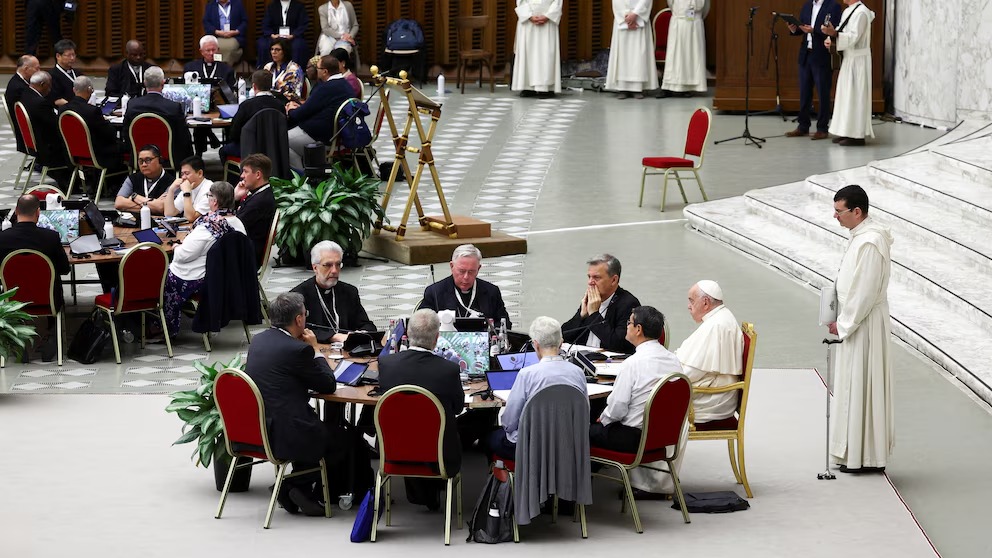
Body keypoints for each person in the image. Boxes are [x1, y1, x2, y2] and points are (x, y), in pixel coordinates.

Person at [243, 292, 338, 516]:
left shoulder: (259, 340)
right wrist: (315, 349)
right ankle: (294, 487)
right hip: (286, 432)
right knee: (341, 437)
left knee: (317, 427)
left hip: (258, 427)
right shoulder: (298, 350)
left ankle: (297, 488)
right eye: (305, 314)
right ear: (298, 320)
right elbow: (328, 385)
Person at [827, 184, 893, 473]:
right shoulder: (860, 237)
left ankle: (865, 457)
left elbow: (864, 292)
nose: (835, 217)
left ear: (857, 211)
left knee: (862, 383)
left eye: (839, 211)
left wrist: (842, 324)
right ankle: (853, 453)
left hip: (863, 325)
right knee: (852, 384)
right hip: (855, 322)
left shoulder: (870, 242)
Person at [377, 309, 464, 510]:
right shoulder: (448, 369)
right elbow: (458, 408)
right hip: (440, 452)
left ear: (406, 336)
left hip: (395, 449)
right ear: (437, 338)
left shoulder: (387, 363)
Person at [488, 316, 588, 460]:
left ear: (535, 344)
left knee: (490, 437)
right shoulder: (578, 373)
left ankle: (504, 479)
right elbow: (584, 414)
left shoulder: (527, 375)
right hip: (567, 445)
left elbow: (509, 422)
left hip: (528, 446)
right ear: (561, 343)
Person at [162, 181, 247, 337]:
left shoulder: (208, 227)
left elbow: (183, 256)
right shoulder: (238, 223)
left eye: (208, 196)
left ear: (214, 201)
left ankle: (161, 327)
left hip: (202, 279)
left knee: (159, 275)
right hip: (232, 279)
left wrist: (176, 247)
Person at [675, 280, 743, 423]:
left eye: (692, 301)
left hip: (714, 399)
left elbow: (693, 372)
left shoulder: (716, 326)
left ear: (705, 303)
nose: (689, 306)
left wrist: (666, 376)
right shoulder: (719, 317)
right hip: (717, 391)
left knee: (654, 400)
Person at [290, 240, 375, 344]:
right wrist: (335, 337)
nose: (334, 270)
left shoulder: (349, 292)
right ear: (315, 267)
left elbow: (366, 324)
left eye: (338, 264)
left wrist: (361, 334)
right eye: (328, 265)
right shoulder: (297, 296)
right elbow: (296, 331)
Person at [785, 0, 842, 140]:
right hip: (806, 54)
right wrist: (794, 29)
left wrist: (813, 31)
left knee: (823, 92)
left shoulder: (833, 6)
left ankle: (822, 128)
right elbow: (802, 29)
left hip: (822, 55)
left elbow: (834, 31)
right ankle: (803, 126)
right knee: (804, 92)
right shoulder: (807, 6)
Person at [285, 55, 354, 170]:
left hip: (320, 135)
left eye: (317, 68)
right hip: (338, 133)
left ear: (325, 71)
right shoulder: (345, 84)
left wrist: (291, 109)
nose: (316, 70)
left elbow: (299, 114)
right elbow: (315, 106)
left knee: (281, 141)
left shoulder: (326, 88)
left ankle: (301, 179)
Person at [561, 253, 640, 353]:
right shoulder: (589, 300)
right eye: (589, 277)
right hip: (584, 361)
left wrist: (594, 315)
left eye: (596, 278)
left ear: (614, 280)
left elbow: (619, 345)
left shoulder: (628, 303)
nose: (590, 282)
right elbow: (563, 336)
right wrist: (581, 317)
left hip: (611, 364)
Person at [822, 0, 875, 146]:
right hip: (848, 58)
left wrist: (834, 34)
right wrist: (830, 37)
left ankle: (857, 136)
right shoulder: (848, 10)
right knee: (846, 96)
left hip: (858, 60)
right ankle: (846, 131)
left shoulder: (862, 12)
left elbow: (853, 37)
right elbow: (841, 30)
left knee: (856, 96)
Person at [420, 244, 511, 327]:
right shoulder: (434, 292)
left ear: (478, 269)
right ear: (452, 266)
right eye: (461, 271)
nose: (466, 277)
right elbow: (421, 324)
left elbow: (505, 324)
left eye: (471, 272)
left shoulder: (491, 292)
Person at [218, 70, 286, 177]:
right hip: (274, 149)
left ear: (253, 86)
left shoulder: (247, 105)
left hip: (249, 149)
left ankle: (235, 181)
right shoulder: (280, 105)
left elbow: (234, 133)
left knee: (223, 150)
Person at [123, 66, 194, 167]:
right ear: (163, 83)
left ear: (144, 83)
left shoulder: (132, 105)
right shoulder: (173, 107)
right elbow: (183, 137)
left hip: (140, 156)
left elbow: (126, 133)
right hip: (169, 158)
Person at [58, 76, 129, 173]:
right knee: (126, 146)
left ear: (74, 90)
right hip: (97, 154)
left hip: (73, 153)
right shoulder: (92, 111)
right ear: (90, 90)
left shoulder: (63, 109)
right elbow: (110, 133)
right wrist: (106, 121)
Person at [19, 71, 71, 189]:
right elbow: (56, 125)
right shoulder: (41, 103)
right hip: (47, 148)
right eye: (49, 85)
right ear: (42, 84)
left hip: (34, 142)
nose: (50, 88)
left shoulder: (25, 95)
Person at [605, 0, 658, 99]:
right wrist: (627, 18)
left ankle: (638, 88)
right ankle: (622, 88)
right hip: (623, 20)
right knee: (622, 55)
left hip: (639, 19)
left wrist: (635, 14)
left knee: (638, 55)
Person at [511, 0, 562, 98]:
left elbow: (557, 2)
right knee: (528, 54)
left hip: (548, 22)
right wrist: (529, 16)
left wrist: (548, 16)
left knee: (546, 54)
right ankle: (527, 87)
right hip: (528, 23)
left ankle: (546, 88)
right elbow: (521, 1)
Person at [234, 153, 277, 269]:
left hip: (245, 256)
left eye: (245, 172)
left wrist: (232, 198)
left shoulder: (260, 201)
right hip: (244, 248)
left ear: (258, 174)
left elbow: (233, 226)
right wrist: (236, 198)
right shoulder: (261, 194)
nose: (242, 176)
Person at [661, 0, 709, 96]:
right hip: (677, 20)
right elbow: (671, 3)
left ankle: (686, 87)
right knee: (674, 56)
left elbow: (705, 8)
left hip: (693, 23)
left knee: (689, 56)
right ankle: (669, 86)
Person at [114, 144, 178, 215]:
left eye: (148, 160)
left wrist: (134, 197)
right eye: (140, 161)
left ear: (160, 160)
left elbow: (161, 207)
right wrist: (153, 205)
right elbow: (118, 203)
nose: (144, 164)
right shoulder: (132, 179)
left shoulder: (172, 182)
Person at [5, 55, 40, 155]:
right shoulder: (18, 87)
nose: (39, 71)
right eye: (37, 68)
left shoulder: (22, 82)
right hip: (27, 133)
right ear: (26, 69)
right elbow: (33, 110)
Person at [258, 0, 310, 68]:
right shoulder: (271, 6)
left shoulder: (299, 6)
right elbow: (265, 24)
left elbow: (303, 24)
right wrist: (272, 35)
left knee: (299, 45)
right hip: (275, 35)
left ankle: (295, 71)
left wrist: (293, 35)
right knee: (263, 44)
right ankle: (267, 71)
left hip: (293, 36)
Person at [164, 156, 213, 221]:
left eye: (187, 173)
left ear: (200, 173)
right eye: (182, 174)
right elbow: (169, 214)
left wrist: (187, 193)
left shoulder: (210, 189)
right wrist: (171, 190)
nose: (183, 177)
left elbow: (191, 218)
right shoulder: (188, 186)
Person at [202, 0, 249, 66]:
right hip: (217, 36)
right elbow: (206, 23)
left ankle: (226, 68)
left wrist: (236, 31)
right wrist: (217, 32)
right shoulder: (210, 5)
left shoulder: (238, 4)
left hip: (234, 36)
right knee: (214, 48)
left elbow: (245, 22)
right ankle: (217, 67)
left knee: (229, 47)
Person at [264, 37, 304, 102]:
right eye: (272, 49)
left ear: (285, 51)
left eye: (277, 50)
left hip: (286, 103)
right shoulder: (268, 67)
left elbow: (293, 94)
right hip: (268, 102)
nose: (273, 52)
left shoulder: (294, 69)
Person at [49, 39, 82, 107]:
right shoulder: (51, 76)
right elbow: (57, 100)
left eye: (73, 55)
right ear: (58, 56)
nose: (72, 58)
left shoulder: (78, 73)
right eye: (68, 55)